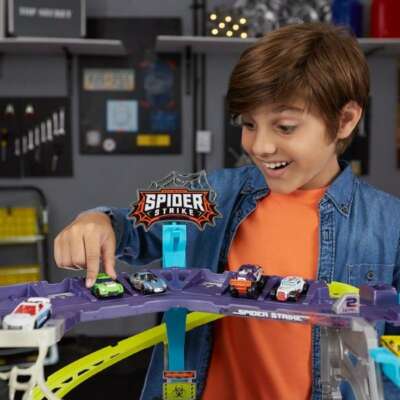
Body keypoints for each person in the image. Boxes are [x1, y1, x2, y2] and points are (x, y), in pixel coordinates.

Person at [54, 23, 400, 399]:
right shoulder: (213, 195)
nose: (260, 146)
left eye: (285, 127)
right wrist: (98, 222)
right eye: (249, 124)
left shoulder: (389, 225)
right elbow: (133, 227)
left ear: (345, 120)